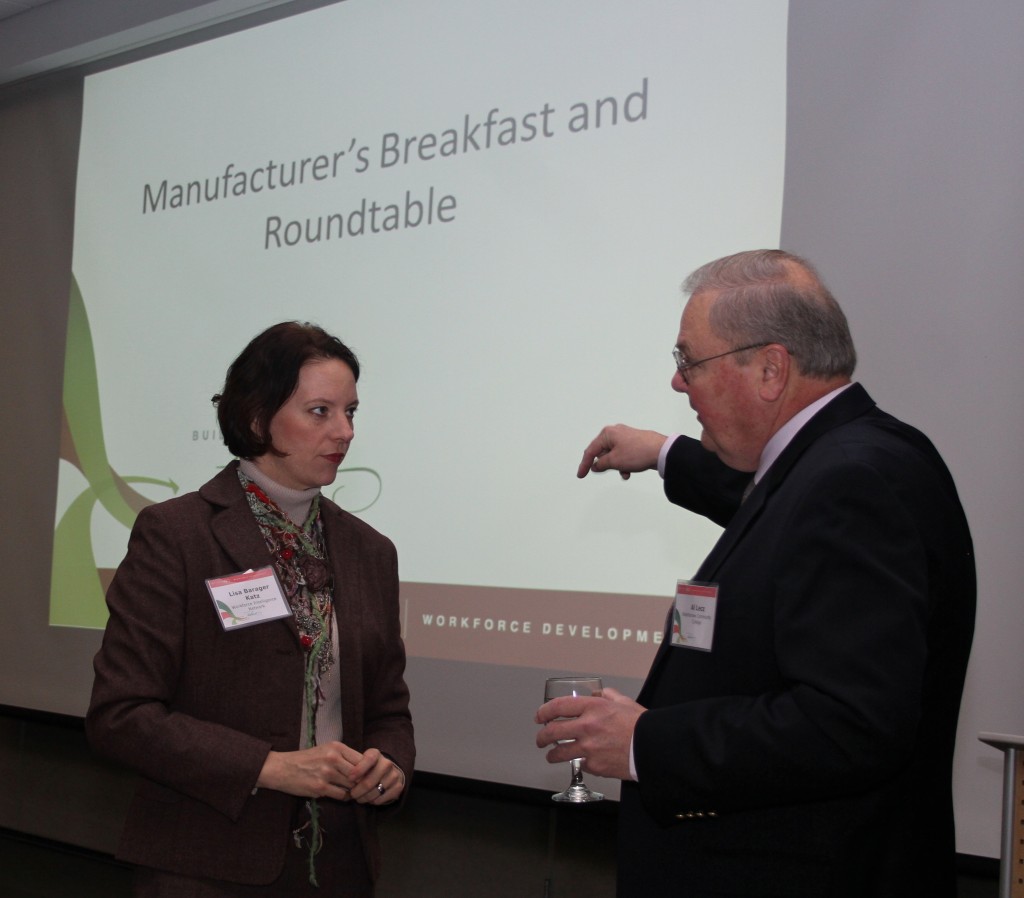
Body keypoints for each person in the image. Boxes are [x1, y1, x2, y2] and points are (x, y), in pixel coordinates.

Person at [535, 250, 975, 897]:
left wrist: (646, 742)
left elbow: (850, 724)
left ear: (771, 369)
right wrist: (663, 453)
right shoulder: (840, 461)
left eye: (690, 361)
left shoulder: (852, 481)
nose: (678, 384)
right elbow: (765, 511)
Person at [86, 321, 414, 897]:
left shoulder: (370, 552)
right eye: (320, 411)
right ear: (259, 418)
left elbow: (388, 707)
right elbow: (123, 715)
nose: (344, 431)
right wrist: (270, 766)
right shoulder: (178, 535)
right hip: (204, 865)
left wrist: (389, 763)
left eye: (351, 413)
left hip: (337, 868)